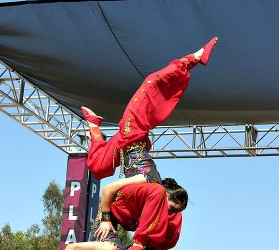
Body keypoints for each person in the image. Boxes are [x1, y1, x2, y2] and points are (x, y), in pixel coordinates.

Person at [81, 37, 218, 182]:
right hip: (131, 137)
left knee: (96, 166)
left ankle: (194, 58)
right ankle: (194, 58)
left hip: (128, 137)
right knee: (151, 82)